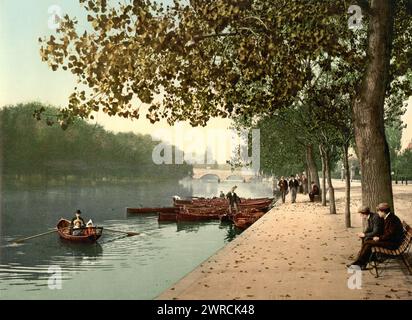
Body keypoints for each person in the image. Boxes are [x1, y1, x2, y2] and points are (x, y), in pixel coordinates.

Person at [348, 203, 405, 270]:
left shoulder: (391, 219)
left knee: (368, 243)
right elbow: (388, 233)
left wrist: (379, 238)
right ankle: (360, 264)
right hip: (390, 241)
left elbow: (390, 234)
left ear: (383, 212)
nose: (378, 213)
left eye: (379, 211)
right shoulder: (389, 217)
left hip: (393, 244)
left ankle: (359, 263)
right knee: (368, 243)